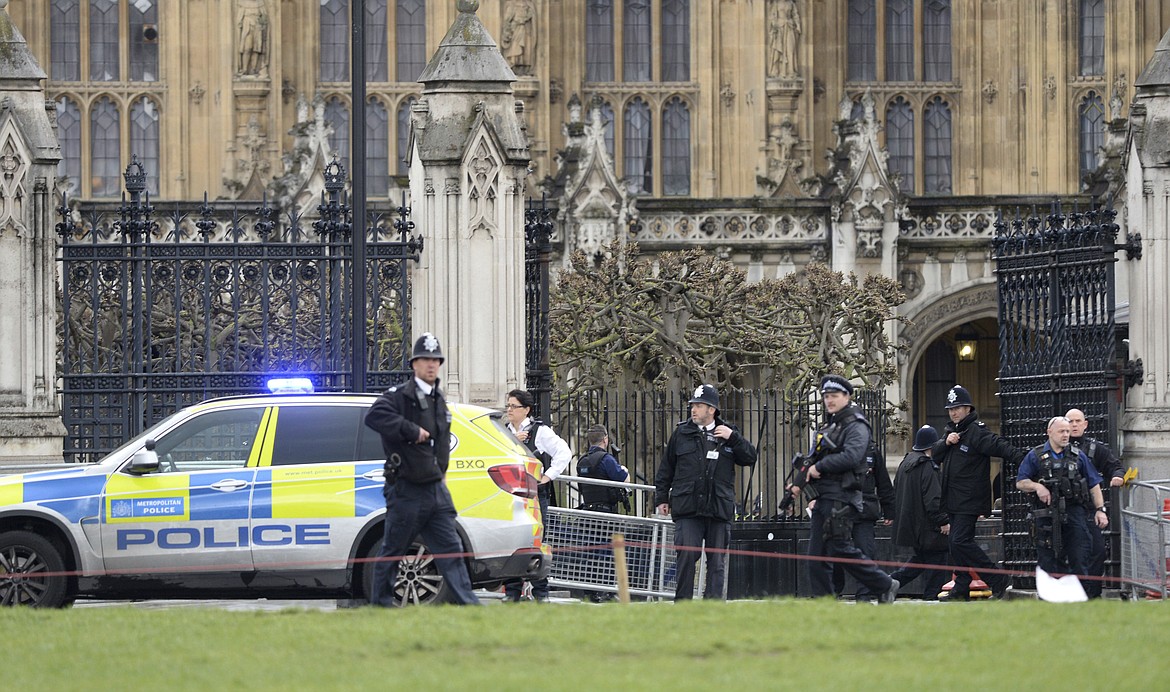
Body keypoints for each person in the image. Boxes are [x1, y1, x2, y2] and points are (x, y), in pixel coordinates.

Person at [364, 332, 480, 607]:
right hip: (407, 489)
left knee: (451, 550)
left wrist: (441, 474)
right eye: (425, 359)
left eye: (435, 360)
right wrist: (410, 429)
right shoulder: (398, 397)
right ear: (414, 363)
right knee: (393, 550)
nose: (431, 365)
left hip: (435, 490)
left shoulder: (438, 399)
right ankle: (380, 606)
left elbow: (441, 444)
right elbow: (374, 417)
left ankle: (470, 606)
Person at [789, 375, 899, 603]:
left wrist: (821, 466)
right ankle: (825, 600)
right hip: (824, 497)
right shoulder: (829, 426)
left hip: (842, 496)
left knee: (839, 548)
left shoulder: (856, 425)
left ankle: (883, 584)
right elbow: (811, 460)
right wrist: (797, 486)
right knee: (817, 555)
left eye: (834, 396)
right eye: (826, 397)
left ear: (846, 397)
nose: (829, 400)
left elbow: (852, 456)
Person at [654, 384, 757, 600]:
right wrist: (662, 498)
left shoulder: (728, 433)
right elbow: (666, 468)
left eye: (699, 406)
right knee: (686, 558)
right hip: (688, 508)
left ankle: (712, 607)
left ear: (712, 409)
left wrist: (733, 438)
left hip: (718, 508)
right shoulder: (681, 433)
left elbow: (750, 458)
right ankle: (683, 606)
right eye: (693, 405)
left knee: (717, 562)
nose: (693, 410)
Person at [933, 385, 1022, 601]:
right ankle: (961, 588)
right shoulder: (951, 432)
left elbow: (999, 446)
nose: (953, 412)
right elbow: (934, 456)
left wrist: (1024, 461)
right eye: (950, 409)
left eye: (957, 408)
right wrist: (946, 442)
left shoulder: (975, 431)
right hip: (953, 499)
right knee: (956, 544)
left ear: (968, 409)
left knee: (960, 542)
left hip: (969, 499)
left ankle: (997, 579)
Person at [1016, 416, 1108, 580]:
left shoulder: (1078, 456)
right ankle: (1051, 600)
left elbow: (1094, 484)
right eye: (1061, 431)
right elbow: (1021, 482)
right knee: (1048, 560)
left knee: (1080, 556)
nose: (1066, 434)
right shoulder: (1035, 455)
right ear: (1049, 432)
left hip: (1074, 513)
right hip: (1046, 514)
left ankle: (1079, 598)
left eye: (1067, 431)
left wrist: (1100, 510)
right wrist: (1038, 487)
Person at [502, 388, 572, 602]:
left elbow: (564, 452)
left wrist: (548, 476)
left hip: (533, 497)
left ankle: (540, 592)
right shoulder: (503, 431)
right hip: (511, 495)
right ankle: (512, 591)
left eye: (514, 406)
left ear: (527, 409)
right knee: (510, 542)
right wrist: (513, 440)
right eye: (508, 405)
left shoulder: (540, 432)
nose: (509, 410)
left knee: (534, 542)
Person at [1066, 408, 1123, 598]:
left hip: (1088, 510)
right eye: (1070, 421)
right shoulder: (1056, 448)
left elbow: (1114, 466)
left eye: (1077, 421)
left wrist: (1117, 477)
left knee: (1097, 551)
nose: (1074, 425)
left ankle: (1092, 595)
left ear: (1085, 424)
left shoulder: (1093, 448)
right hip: (1063, 510)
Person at [888, 425, 951, 600]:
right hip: (929, 527)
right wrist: (943, 521)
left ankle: (889, 582)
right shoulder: (928, 467)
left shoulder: (905, 464)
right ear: (932, 447)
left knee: (920, 560)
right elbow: (933, 499)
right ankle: (931, 597)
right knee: (937, 562)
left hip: (911, 525)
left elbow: (895, 491)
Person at [834, 440, 895, 599]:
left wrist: (889, 510)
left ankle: (865, 595)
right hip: (841, 509)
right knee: (836, 552)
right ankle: (833, 591)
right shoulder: (834, 444)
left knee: (866, 553)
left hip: (864, 510)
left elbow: (883, 481)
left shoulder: (871, 449)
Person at [576, 425, 630, 513]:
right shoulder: (606, 459)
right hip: (606, 512)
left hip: (588, 511)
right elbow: (625, 480)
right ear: (605, 439)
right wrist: (624, 470)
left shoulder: (582, 461)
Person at [501, 0, 537, 75]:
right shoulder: (511, 4)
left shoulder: (529, 5)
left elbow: (533, 22)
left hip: (526, 31)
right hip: (515, 29)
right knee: (515, 48)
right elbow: (507, 20)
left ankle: (524, 67)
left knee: (526, 49)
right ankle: (514, 66)